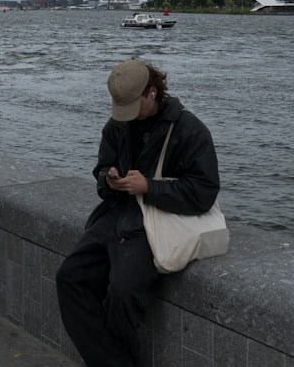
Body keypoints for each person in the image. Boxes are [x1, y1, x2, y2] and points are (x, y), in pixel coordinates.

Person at [55, 59, 221, 367]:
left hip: (157, 222)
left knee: (122, 292)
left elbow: (205, 191)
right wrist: (108, 178)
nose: (128, 116)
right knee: (69, 278)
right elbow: (101, 168)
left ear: (153, 93)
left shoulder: (189, 129)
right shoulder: (117, 125)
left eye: (134, 106)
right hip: (117, 214)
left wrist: (150, 187)